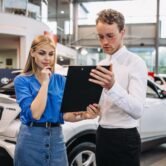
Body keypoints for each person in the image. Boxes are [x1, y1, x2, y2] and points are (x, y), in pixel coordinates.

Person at [14, 34, 100, 166]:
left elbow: (65, 115)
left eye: (51, 54)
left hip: (56, 138)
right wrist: (44, 83)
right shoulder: (22, 80)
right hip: (30, 139)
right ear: (33, 53)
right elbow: (35, 114)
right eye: (42, 53)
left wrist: (85, 116)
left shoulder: (61, 80)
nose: (47, 58)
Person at [89, 9, 148, 166]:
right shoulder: (101, 65)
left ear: (122, 32)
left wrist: (112, 86)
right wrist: (93, 110)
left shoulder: (136, 63)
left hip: (125, 139)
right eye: (101, 37)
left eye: (110, 36)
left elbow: (137, 110)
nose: (105, 42)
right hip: (101, 135)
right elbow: (100, 107)